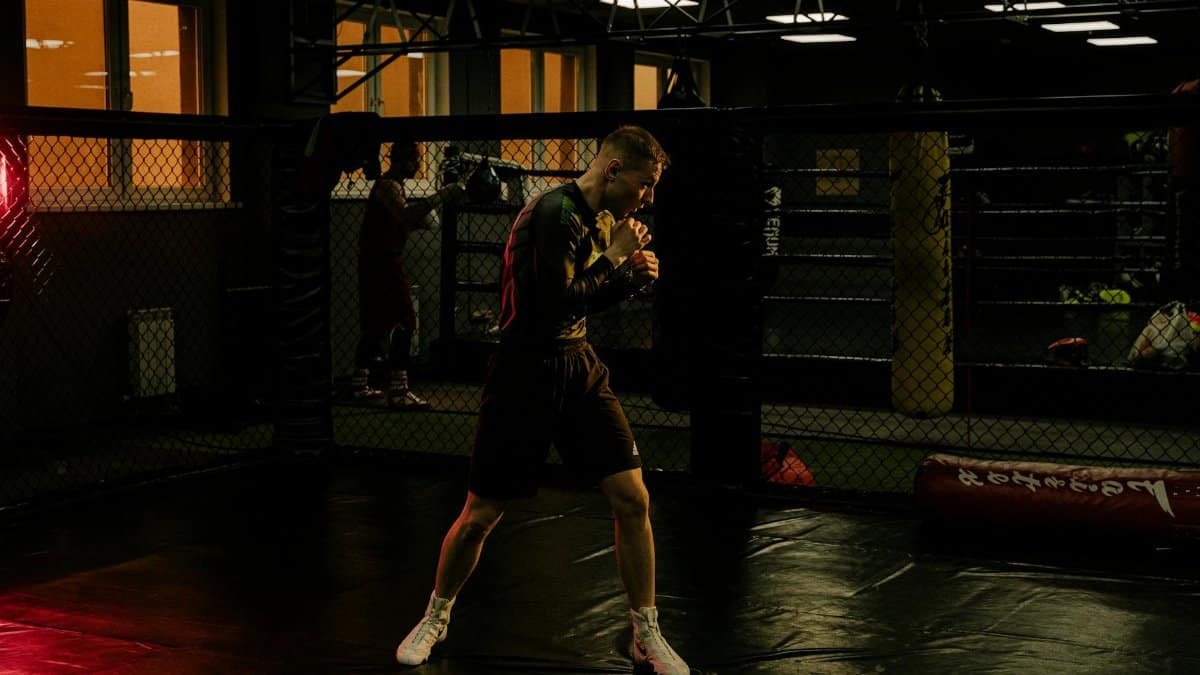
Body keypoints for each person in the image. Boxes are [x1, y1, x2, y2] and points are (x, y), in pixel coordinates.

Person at [394, 126, 690, 674]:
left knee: (634, 499)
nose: (648, 198)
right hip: (523, 369)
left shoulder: (601, 219)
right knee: (481, 514)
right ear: (614, 171)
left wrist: (630, 274)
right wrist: (621, 262)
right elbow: (552, 304)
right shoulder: (556, 213)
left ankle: (645, 630)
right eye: (645, 185)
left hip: (578, 365)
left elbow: (583, 302)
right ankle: (436, 615)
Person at [351, 139, 464, 409]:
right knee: (405, 320)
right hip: (384, 260)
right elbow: (406, 217)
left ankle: (358, 385)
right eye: (415, 159)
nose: (418, 164)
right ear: (403, 160)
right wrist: (443, 195)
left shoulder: (391, 186)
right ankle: (399, 390)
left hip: (377, 259)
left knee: (376, 323)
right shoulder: (388, 186)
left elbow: (404, 220)